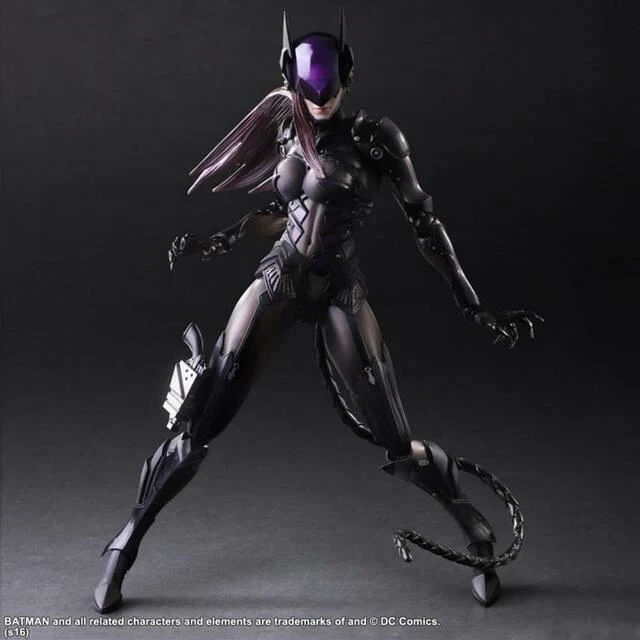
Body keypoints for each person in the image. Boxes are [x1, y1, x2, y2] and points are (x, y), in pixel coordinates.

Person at [93, 10, 542, 613]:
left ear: (347, 75)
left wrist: (472, 303)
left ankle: (476, 533)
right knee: (198, 418)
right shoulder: (288, 128)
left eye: (330, 84)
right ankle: (124, 543)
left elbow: (425, 224)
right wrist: (222, 240)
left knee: (395, 436)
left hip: (339, 287)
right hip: (279, 276)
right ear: (289, 77)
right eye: (309, 85)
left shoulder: (376, 139)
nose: (321, 97)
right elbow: (284, 211)